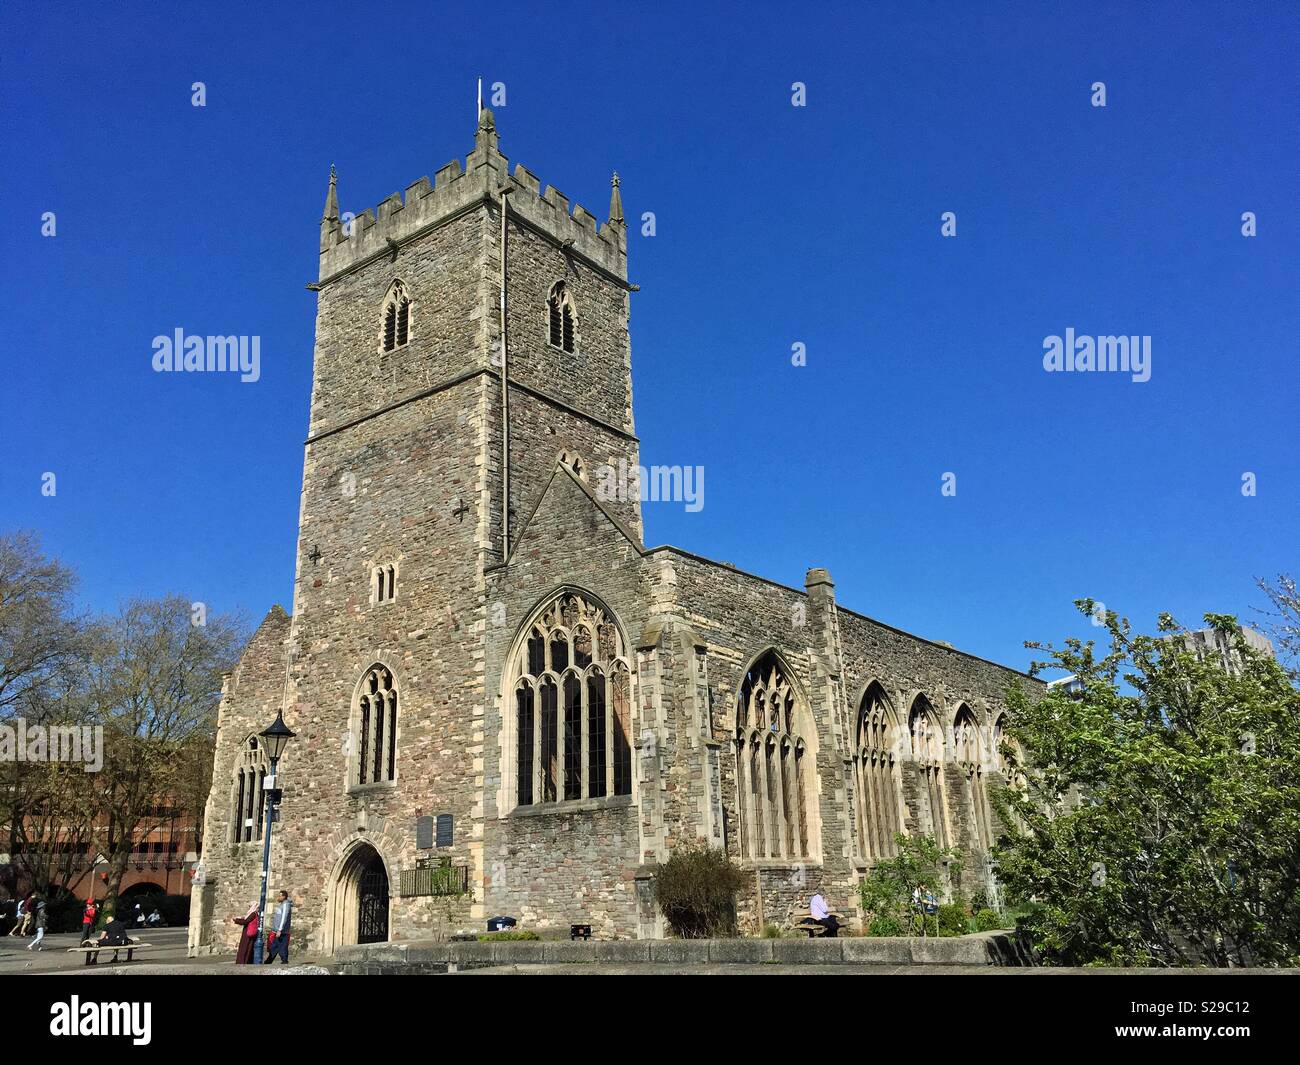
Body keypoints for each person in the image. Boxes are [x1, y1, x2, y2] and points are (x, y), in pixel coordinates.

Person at [263, 890, 293, 964]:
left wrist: (280, 929)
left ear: (284, 896)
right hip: (277, 931)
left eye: (280, 896)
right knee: (274, 947)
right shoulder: (282, 904)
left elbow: (284, 917)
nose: (278, 897)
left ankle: (284, 961)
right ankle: (269, 961)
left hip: (282, 931)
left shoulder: (286, 904)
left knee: (282, 947)